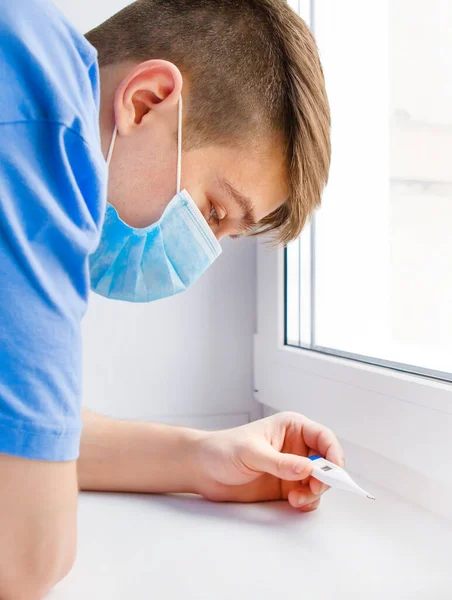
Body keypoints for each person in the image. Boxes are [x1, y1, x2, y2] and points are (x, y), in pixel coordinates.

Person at [0, 0, 343, 597]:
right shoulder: (43, 122)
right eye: (213, 211)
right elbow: (25, 558)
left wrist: (200, 459)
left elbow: (16, 435)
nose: (198, 255)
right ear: (146, 102)